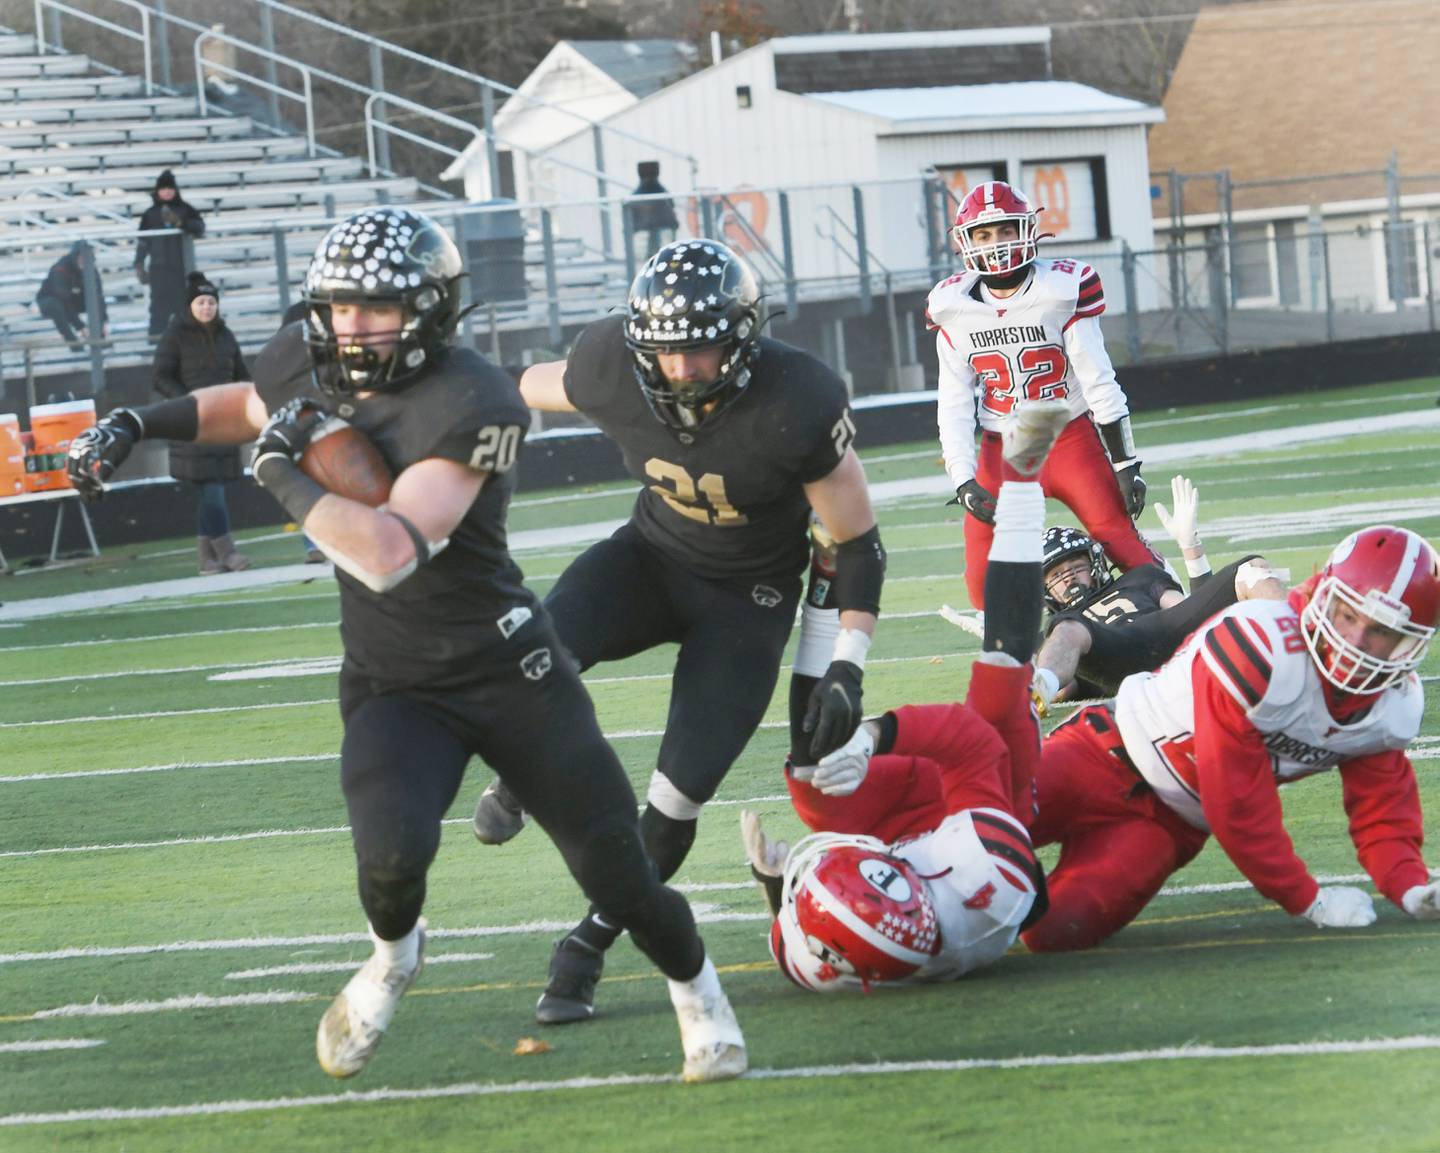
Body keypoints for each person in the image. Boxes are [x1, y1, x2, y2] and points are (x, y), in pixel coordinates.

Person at [66, 207, 748, 1085]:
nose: (352, 326)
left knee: (619, 874)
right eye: (340, 307)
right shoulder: (308, 354)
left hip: (510, 671)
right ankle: (394, 955)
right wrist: (136, 422)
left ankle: (700, 993)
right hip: (395, 676)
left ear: (428, 308)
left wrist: (276, 473)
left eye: (376, 307)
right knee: (388, 856)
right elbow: (247, 403)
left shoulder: (476, 399)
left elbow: (389, 551)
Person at [470, 238, 885, 1025]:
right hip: (650, 558)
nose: (683, 369)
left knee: (679, 792)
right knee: (537, 648)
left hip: (749, 597)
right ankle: (524, 770)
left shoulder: (797, 398)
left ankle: (587, 944)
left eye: (700, 348)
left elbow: (856, 540)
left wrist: (846, 665)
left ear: (743, 338)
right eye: (666, 352)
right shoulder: (608, 368)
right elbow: (521, 385)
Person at [740, 402, 1071, 990]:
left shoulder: (826, 959)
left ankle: (826, 570)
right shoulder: (988, 876)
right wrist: (875, 735)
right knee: (998, 685)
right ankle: (1023, 475)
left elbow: (800, 947)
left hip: (895, 829)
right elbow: (972, 747)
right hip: (982, 803)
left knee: (813, 778)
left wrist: (776, 888)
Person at [1023, 524, 1440, 953]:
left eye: (1382, 631)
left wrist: (1409, 886)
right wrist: (1306, 899)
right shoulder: (1262, 641)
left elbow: (1383, 812)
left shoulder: (1391, 706)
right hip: (1100, 754)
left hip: (1166, 826)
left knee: (1052, 931)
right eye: (1348, 615)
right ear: (1325, 595)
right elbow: (1234, 799)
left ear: (1412, 642)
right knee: (982, 826)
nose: (1354, 641)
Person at [928, 180, 1161, 611]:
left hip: (1068, 434)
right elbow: (954, 401)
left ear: (1027, 231)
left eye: (1004, 231)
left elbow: (1099, 381)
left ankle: (1179, 622)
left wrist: (1126, 463)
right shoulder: (952, 305)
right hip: (1003, 448)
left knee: (1124, 546)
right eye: (983, 234)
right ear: (965, 242)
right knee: (982, 585)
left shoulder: (1060, 289)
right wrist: (962, 478)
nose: (995, 244)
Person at [1030, 474, 1286, 710]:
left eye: (1076, 567)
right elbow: (1068, 688)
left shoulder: (1139, 578)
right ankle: (1034, 695)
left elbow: (1194, 613)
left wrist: (1191, 547)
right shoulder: (1058, 631)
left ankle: (1299, 637)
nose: (1069, 578)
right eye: (1056, 575)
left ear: (1096, 563)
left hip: (1167, 634)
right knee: (1067, 629)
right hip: (1116, 660)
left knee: (1252, 569)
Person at [154, 272, 251, 574]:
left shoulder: (226, 335)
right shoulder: (175, 335)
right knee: (210, 486)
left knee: (212, 486)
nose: (207, 307)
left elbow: (241, 374)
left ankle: (206, 560)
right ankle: (227, 551)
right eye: (201, 302)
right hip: (192, 423)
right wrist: (187, 403)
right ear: (189, 306)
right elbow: (160, 376)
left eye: (211, 302)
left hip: (223, 422)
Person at [135, 170, 206, 339]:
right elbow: (142, 242)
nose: (167, 192)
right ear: (157, 191)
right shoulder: (149, 214)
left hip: (182, 269)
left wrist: (182, 223)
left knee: (184, 308)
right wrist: (139, 264)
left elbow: (200, 227)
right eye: (163, 188)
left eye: (170, 188)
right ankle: (155, 345)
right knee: (158, 310)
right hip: (159, 269)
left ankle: (190, 345)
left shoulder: (185, 209)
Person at [36, 240, 107, 352]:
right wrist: (81, 326)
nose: (84, 261)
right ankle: (74, 344)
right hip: (53, 300)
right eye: (81, 257)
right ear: (75, 256)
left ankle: (99, 339)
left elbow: (99, 294)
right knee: (54, 305)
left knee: (96, 299)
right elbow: (63, 298)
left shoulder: (91, 268)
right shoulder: (60, 269)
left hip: (75, 299)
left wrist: (103, 322)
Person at [627, 161, 680, 267]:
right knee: (665, 257)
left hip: (656, 229)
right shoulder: (661, 192)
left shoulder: (637, 195)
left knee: (661, 259)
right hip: (659, 228)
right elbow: (671, 207)